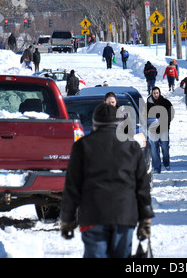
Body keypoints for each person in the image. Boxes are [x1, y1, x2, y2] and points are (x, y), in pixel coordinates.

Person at [60, 103, 155, 258]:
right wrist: (145, 218)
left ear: (95, 123)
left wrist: (67, 218)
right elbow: (142, 186)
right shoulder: (132, 147)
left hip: (93, 215)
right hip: (124, 215)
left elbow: (72, 186)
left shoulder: (82, 146)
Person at [146, 87, 174, 173]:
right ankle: (156, 167)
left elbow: (171, 113)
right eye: (154, 93)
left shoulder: (166, 102)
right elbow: (144, 116)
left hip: (164, 129)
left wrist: (166, 121)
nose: (155, 94)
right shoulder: (147, 104)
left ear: (159, 93)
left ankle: (166, 163)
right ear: (152, 93)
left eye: (157, 93)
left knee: (165, 147)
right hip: (153, 130)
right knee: (154, 149)